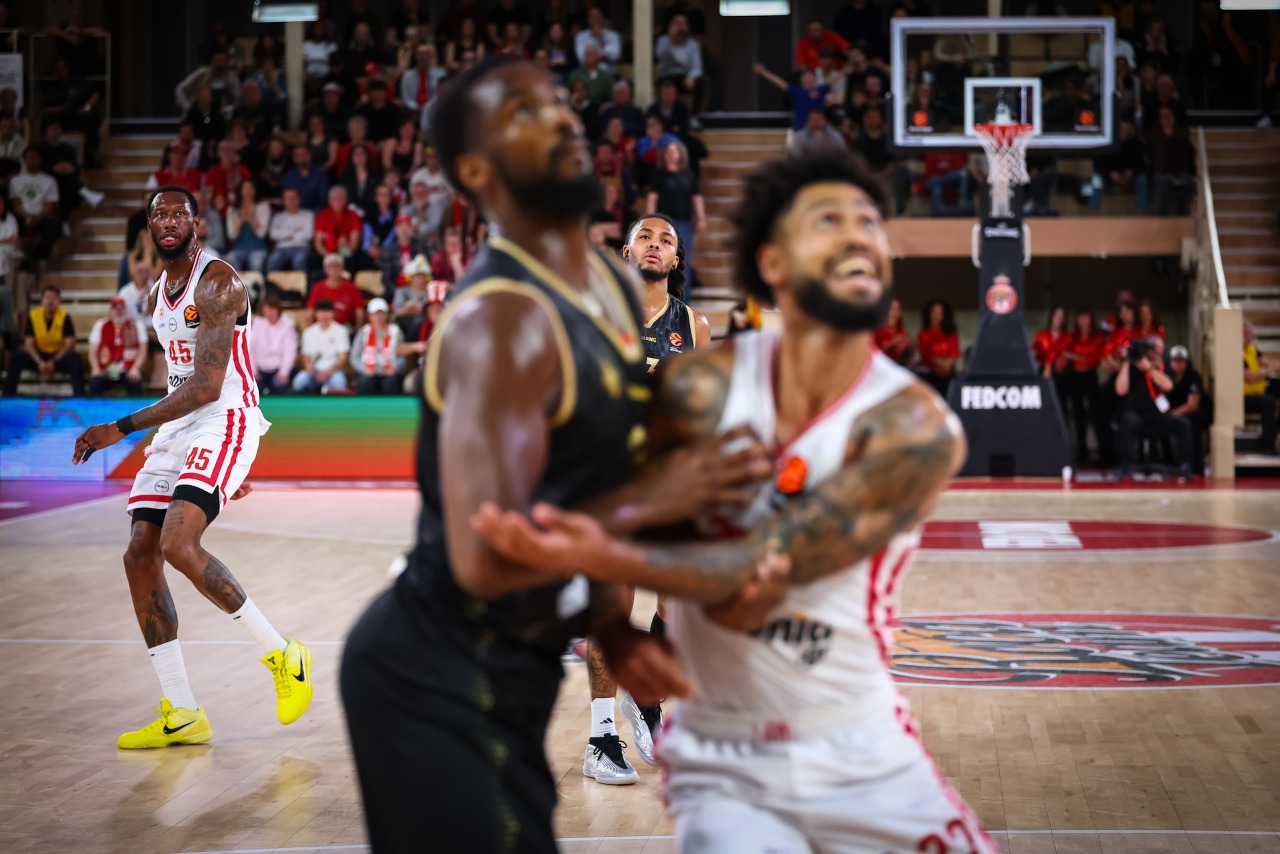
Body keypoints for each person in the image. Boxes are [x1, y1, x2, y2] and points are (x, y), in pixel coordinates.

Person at [470, 148, 994, 854]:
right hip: (725, 754)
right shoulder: (719, 375)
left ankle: (640, 709)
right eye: (830, 226)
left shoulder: (916, 424)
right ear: (775, 262)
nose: (859, 243)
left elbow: (763, 562)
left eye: (870, 227)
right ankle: (612, 728)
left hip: (853, 743)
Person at [339, 56, 771, 853]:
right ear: (478, 170)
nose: (567, 120)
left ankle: (621, 722)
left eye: (561, 106)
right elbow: (488, 546)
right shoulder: (497, 318)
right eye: (527, 114)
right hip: (435, 673)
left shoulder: (597, 285)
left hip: (515, 665)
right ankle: (607, 731)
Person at [69, 186, 313, 747]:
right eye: (159, 214)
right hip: (182, 426)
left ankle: (283, 655)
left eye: (179, 213)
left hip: (225, 414)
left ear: (196, 222)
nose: (169, 221)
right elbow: (179, 378)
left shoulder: (218, 282)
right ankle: (182, 710)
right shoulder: (158, 291)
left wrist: (122, 427)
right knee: (139, 554)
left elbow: (206, 386)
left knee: (179, 544)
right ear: (149, 227)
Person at [576, 213, 713, 784]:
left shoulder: (695, 327)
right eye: (644, 237)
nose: (655, 245)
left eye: (666, 240)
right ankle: (600, 739)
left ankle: (647, 706)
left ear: (676, 259)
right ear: (626, 252)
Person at [1114, 336, 1193, 480]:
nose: (1154, 352)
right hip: (1136, 414)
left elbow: (1168, 386)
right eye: (1151, 348)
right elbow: (1120, 390)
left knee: (1184, 425)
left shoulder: (1166, 366)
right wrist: (1128, 361)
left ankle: (1184, 465)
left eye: (1157, 349)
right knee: (1127, 421)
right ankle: (1126, 467)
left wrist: (1149, 368)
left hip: (1159, 415)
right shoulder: (1133, 367)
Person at [646, 141, 705, 299]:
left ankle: (683, 299)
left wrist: (701, 217)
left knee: (683, 261)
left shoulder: (688, 175)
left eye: (674, 152)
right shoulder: (659, 175)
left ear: (680, 155)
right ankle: (662, 298)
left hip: (684, 223)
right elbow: (652, 199)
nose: (671, 155)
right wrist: (649, 222)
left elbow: (697, 198)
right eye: (668, 152)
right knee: (662, 260)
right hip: (664, 224)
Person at [4, 285, 85, 396]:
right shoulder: (33, 316)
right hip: (39, 355)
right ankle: (8, 394)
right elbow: (28, 344)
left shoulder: (64, 316)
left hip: (58, 356)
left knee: (75, 359)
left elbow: (69, 344)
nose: (50, 301)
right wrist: (39, 361)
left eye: (54, 298)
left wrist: (54, 361)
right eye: (47, 298)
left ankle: (80, 395)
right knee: (15, 358)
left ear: (59, 301)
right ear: (42, 301)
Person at [1061, 307, 1107, 465]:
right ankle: (1081, 453)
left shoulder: (1097, 337)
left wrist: (1075, 357)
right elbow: (1063, 354)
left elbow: (1095, 359)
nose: (1084, 321)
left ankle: (1104, 452)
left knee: (1097, 414)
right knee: (1078, 416)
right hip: (1075, 377)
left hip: (1090, 376)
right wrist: (1079, 358)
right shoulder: (1072, 338)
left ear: (1091, 319)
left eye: (1086, 317)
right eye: (1081, 317)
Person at [352, 297, 424, 394]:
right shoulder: (363, 332)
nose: (379, 317)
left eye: (382, 313)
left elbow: (402, 355)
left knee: (390, 383)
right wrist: (364, 369)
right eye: (376, 313)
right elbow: (354, 356)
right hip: (368, 371)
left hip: (390, 371)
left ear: (386, 314)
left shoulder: (395, 331)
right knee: (365, 382)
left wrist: (395, 368)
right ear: (369, 315)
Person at [88, 296, 149, 396]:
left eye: (121, 308)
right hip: (106, 369)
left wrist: (136, 368)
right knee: (95, 383)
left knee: (135, 382)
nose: (119, 311)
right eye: (115, 308)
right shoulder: (100, 325)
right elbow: (92, 351)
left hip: (128, 369)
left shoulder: (137, 325)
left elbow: (143, 350)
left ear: (126, 310)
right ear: (110, 311)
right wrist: (96, 368)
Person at [292, 299, 351, 393]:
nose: (324, 315)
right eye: (321, 312)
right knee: (299, 382)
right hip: (314, 371)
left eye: (327, 312)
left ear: (333, 314)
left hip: (333, 371)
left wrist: (328, 372)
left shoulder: (341, 331)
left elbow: (342, 358)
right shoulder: (308, 332)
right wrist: (309, 366)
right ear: (316, 314)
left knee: (339, 384)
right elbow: (306, 356)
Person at [1166, 345, 1205, 473]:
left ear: (1186, 362)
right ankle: (1168, 462)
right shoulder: (1165, 376)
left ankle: (1193, 465)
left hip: (1190, 413)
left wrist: (1173, 414)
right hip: (1170, 412)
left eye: (1181, 360)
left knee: (1192, 423)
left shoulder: (1193, 377)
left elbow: (1192, 405)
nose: (1178, 363)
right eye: (1175, 360)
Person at [250, 297, 299, 395]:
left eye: (272, 310)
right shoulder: (257, 323)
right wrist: (253, 371)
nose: (270, 313)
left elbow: (289, 351)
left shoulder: (288, 325)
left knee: (279, 386)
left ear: (278, 310)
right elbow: (251, 349)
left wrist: (284, 372)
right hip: (260, 371)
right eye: (267, 310)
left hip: (278, 371)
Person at [1243, 320, 1278, 456]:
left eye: (1251, 334)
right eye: (1246, 334)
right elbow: (1250, 377)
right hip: (1243, 397)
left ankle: (1275, 432)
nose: (1249, 338)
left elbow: (1268, 363)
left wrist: (1266, 370)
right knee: (1267, 402)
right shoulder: (1235, 353)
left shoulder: (1252, 349)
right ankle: (1269, 445)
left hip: (1258, 391)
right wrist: (1265, 372)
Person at [916, 299, 959, 396]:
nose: (937, 316)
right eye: (934, 312)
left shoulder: (951, 334)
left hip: (949, 374)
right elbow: (929, 356)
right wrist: (941, 365)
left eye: (940, 313)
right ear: (929, 314)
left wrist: (948, 364)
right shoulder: (924, 334)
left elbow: (954, 354)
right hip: (931, 375)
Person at [873, 297, 914, 366]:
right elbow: (873, 353)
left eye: (896, 309)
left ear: (900, 313)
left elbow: (908, 357)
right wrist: (892, 344)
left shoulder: (903, 331)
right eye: (891, 309)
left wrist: (911, 347)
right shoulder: (877, 330)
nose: (893, 312)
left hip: (898, 366)